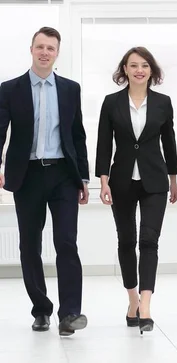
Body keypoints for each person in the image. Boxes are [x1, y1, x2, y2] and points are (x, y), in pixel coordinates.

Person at [0, 27, 89, 336]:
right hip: (27, 176)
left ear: (57, 53)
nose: (45, 52)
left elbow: (78, 135)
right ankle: (41, 309)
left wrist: (84, 177)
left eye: (51, 48)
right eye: (40, 46)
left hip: (64, 174)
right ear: (31, 49)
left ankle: (70, 313)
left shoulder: (69, 89)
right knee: (29, 245)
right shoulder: (10, 89)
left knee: (66, 242)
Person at [95, 46, 177, 334]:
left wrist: (174, 178)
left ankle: (146, 304)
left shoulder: (163, 103)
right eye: (133, 65)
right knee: (126, 240)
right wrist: (103, 180)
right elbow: (104, 144)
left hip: (155, 180)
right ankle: (132, 300)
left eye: (144, 65)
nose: (139, 70)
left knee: (149, 240)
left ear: (151, 71)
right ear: (125, 70)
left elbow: (169, 142)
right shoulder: (111, 103)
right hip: (121, 180)